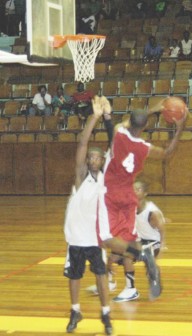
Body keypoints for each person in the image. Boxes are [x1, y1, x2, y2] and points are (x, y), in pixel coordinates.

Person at [98, 99, 187, 300]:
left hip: (110, 194)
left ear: (130, 121)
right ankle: (130, 287)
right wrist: (180, 128)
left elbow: (122, 123)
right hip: (129, 195)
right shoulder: (144, 147)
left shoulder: (119, 135)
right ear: (145, 126)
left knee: (106, 238)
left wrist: (152, 110)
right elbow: (167, 153)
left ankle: (143, 256)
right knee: (129, 239)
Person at [63, 96, 113, 335]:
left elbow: (115, 146)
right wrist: (95, 117)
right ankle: (75, 310)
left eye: (97, 157)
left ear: (102, 161)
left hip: (95, 238)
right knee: (74, 276)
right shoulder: (81, 177)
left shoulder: (105, 178)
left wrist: (109, 118)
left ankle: (106, 314)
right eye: (91, 157)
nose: (93, 159)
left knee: (101, 276)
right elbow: (82, 144)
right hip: (76, 238)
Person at [110, 180, 166, 302]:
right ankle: (109, 282)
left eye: (138, 189)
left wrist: (160, 251)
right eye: (133, 189)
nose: (134, 191)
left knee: (128, 256)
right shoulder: (131, 207)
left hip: (153, 243)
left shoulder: (152, 212)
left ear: (145, 193)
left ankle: (133, 288)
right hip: (140, 241)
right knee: (113, 255)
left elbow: (162, 231)